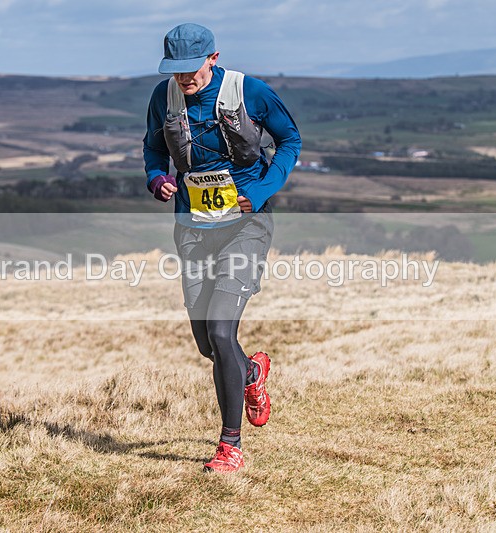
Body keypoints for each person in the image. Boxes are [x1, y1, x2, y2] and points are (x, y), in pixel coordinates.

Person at [143, 23, 301, 473]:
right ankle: (250, 373)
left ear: (212, 58)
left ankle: (230, 446)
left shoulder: (249, 91)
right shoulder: (164, 97)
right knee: (207, 343)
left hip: (246, 223)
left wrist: (266, 188)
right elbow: (153, 149)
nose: (184, 78)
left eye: (191, 69)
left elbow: (291, 140)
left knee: (219, 330)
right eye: (175, 71)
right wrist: (157, 178)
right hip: (193, 228)